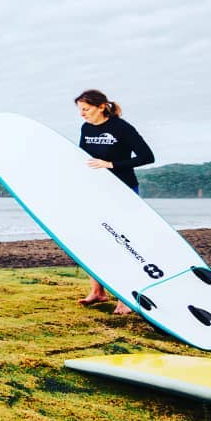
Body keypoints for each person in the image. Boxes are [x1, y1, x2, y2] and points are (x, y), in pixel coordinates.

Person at [75, 89, 155, 314]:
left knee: (123, 244)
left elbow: (147, 157)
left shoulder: (122, 128)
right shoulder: (86, 128)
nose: (82, 114)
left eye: (86, 109)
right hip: (95, 191)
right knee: (94, 240)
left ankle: (125, 298)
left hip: (123, 191)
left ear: (101, 106)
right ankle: (98, 291)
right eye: (80, 110)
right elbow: (83, 158)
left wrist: (111, 164)